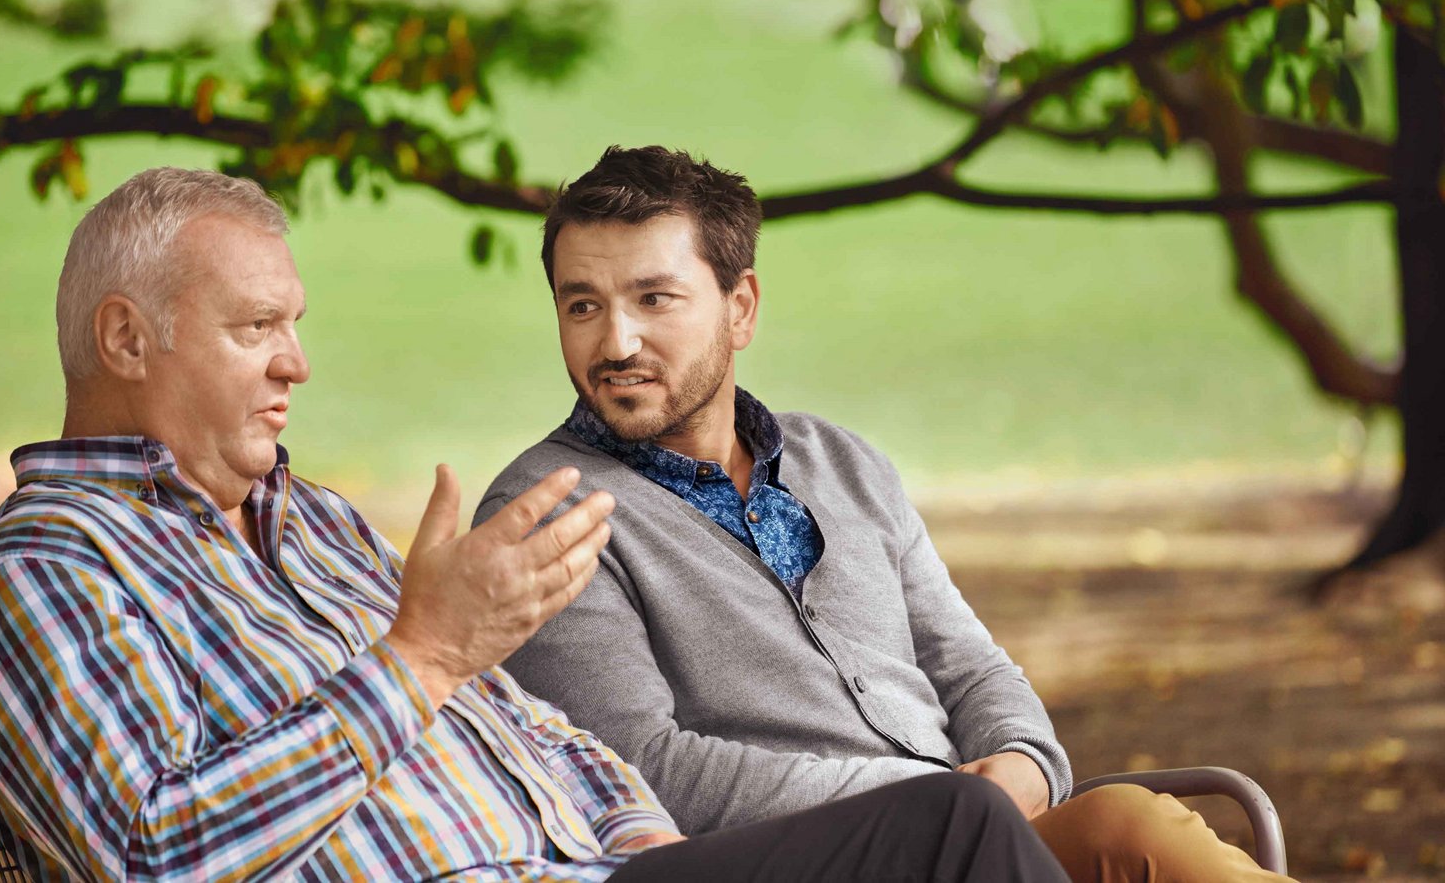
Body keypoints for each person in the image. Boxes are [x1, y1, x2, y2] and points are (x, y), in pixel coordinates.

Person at [0, 166, 1069, 881]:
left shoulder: (311, 524)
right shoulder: (44, 568)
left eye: (295, 323)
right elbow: (151, 854)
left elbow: (550, 740)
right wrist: (418, 657)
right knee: (954, 835)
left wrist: (652, 852)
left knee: (1021, 835)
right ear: (128, 341)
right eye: (255, 328)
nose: (298, 362)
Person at [478, 146, 1295, 882]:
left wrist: (1023, 764)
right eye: (581, 306)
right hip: (800, 867)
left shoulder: (843, 463)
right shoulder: (546, 511)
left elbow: (970, 667)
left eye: (654, 299)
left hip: (971, 846)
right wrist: (933, 803)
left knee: (1130, 824)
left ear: (741, 307)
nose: (615, 342)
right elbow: (639, 769)